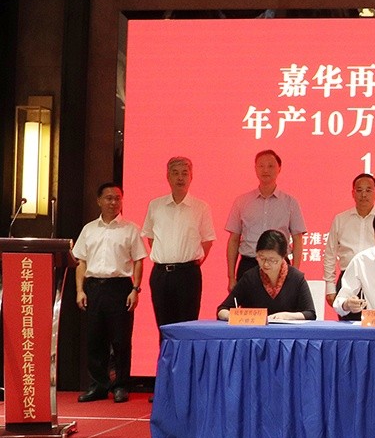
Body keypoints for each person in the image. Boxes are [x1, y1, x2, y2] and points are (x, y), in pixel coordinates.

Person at [73, 182, 147, 404]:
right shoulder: (89, 229)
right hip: (94, 287)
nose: (114, 202)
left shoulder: (130, 229)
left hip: (120, 287)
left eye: (117, 198)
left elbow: (139, 261)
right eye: (109, 198)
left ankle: (121, 385)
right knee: (95, 339)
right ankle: (98, 385)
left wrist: (135, 289)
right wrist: (79, 290)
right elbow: (81, 262)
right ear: (99, 201)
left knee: (121, 340)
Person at [141, 156, 215, 340]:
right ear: (168, 177)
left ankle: (186, 360)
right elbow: (151, 238)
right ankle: (166, 359)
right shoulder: (155, 205)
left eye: (184, 173)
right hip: (161, 275)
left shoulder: (201, 207)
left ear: (191, 177)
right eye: (175, 173)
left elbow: (207, 241)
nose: (180, 178)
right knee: (164, 327)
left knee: (187, 327)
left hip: (188, 274)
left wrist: (190, 261)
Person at [225, 149, 306, 291]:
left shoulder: (290, 202)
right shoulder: (242, 202)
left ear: (279, 168)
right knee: (248, 305)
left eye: (270, 166)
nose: (265, 170)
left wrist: (294, 275)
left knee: (279, 306)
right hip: (249, 264)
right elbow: (234, 240)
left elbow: (297, 239)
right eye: (261, 165)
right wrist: (231, 277)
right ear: (255, 168)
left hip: (279, 265)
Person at [217, 230, 316, 321]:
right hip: (255, 333)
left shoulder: (296, 278)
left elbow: (310, 313)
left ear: (283, 257)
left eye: (272, 260)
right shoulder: (250, 277)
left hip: (287, 333)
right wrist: (235, 316)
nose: (266, 264)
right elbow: (222, 309)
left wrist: (287, 316)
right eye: (261, 258)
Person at [323, 173, 375, 320]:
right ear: (353, 193)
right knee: (347, 326)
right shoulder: (341, 219)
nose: (363, 195)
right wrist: (330, 287)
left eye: (368, 190)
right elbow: (330, 254)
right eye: (359, 190)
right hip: (347, 278)